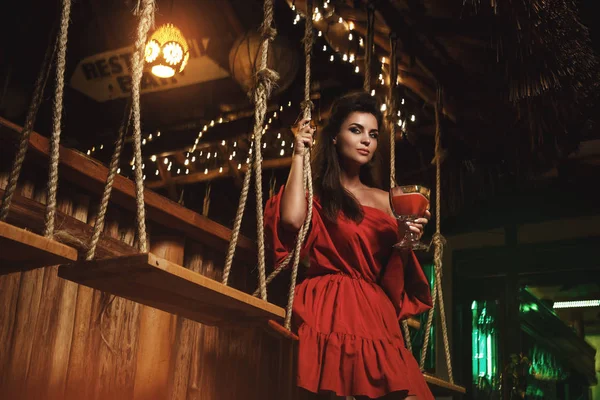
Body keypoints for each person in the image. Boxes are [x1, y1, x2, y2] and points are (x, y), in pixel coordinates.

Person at [264, 91, 435, 400]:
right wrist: (299, 154)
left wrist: (409, 241)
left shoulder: (388, 200)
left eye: (372, 134)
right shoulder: (317, 194)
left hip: (375, 309)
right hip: (330, 304)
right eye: (355, 130)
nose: (366, 140)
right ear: (334, 137)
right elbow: (290, 221)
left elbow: (391, 275)